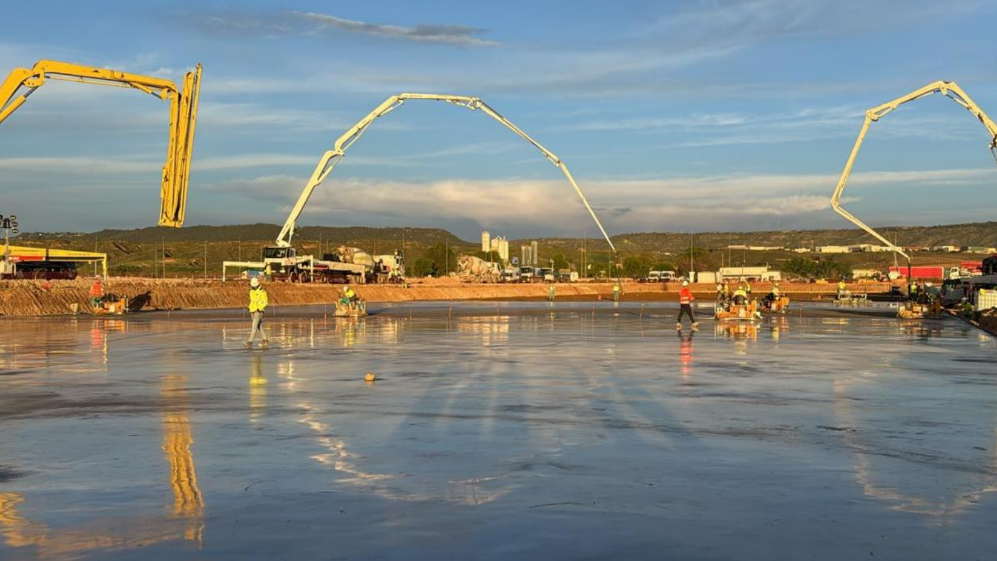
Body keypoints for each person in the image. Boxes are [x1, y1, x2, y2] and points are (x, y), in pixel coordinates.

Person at [245, 277, 269, 349]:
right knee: (259, 326)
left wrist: (260, 308)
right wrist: (249, 307)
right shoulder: (251, 291)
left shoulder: (262, 292)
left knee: (254, 327)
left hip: (259, 311)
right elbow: (252, 301)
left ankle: (250, 342)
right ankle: (265, 340)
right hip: (252, 310)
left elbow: (265, 302)